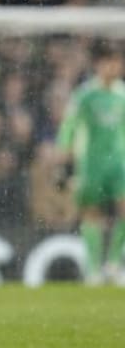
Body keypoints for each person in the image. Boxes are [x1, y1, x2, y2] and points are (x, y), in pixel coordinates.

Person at [55, 43, 125, 285]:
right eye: (109, 61)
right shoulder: (85, 95)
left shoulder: (122, 94)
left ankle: (114, 264)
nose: (114, 66)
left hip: (119, 163)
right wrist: (63, 157)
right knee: (91, 215)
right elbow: (69, 126)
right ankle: (94, 270)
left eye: (117, 61)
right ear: (98, 65)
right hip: (91, 164)